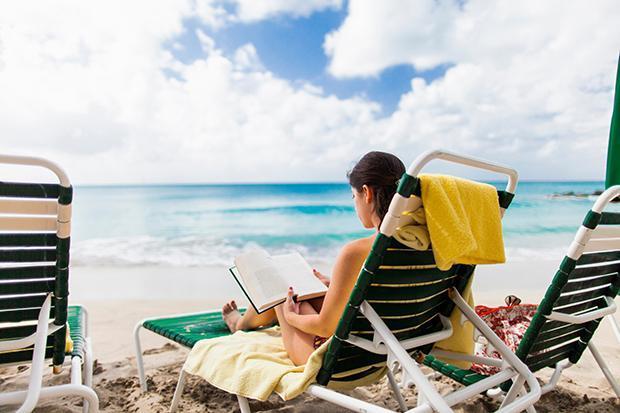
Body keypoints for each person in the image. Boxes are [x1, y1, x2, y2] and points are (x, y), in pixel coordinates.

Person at [222, 151, 406, 365]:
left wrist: (291, 318)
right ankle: (243, 322)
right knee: (304, 291)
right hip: (389, 348)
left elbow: (325, 327)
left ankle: (239, 324)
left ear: (366, 193)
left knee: (284, 291)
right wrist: (338, 284)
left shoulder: (357, 252)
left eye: (353, 197)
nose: (355, 204)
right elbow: (387, 294)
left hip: (342, 361)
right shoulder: (423, 245)